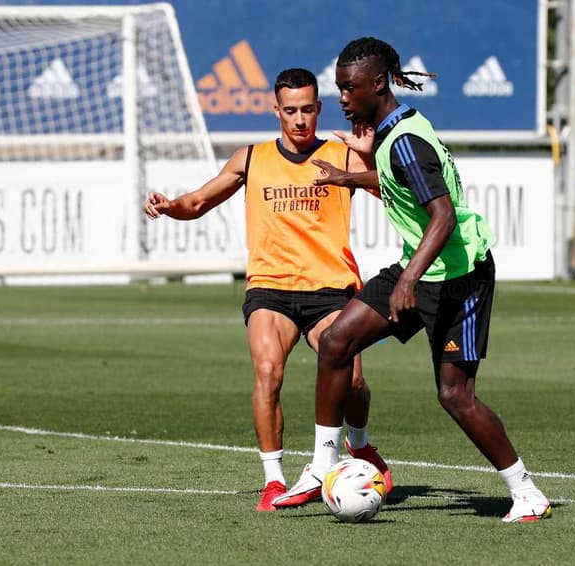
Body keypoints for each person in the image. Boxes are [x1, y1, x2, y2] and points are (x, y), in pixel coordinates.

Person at [272, 39, 551, 523]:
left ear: (377, 84)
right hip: (421, 268)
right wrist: (352, 178)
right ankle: (323, 463)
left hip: (459, 278)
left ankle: (526, 492)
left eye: (348, 87)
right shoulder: (393, 131)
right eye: (338, 87)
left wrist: (408, 282)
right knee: (337, 341)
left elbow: (441, 216)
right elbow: (405, 191)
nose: (341, 97)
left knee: (454, 396)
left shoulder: (403, 142)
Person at [144, 68, 392, 512]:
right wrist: (169, 207)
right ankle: (274, 480)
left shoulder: (342, 155)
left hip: (331, 289)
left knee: (353, 382)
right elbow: (198, 202)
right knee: (268, 372)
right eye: (291, 110)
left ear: (319, 107)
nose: (300, 120)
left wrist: (370, 159)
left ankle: (359, 443)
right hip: (270, 289)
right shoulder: (252, 158)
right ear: (276, 109)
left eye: (308, 109)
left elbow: (392, 191)